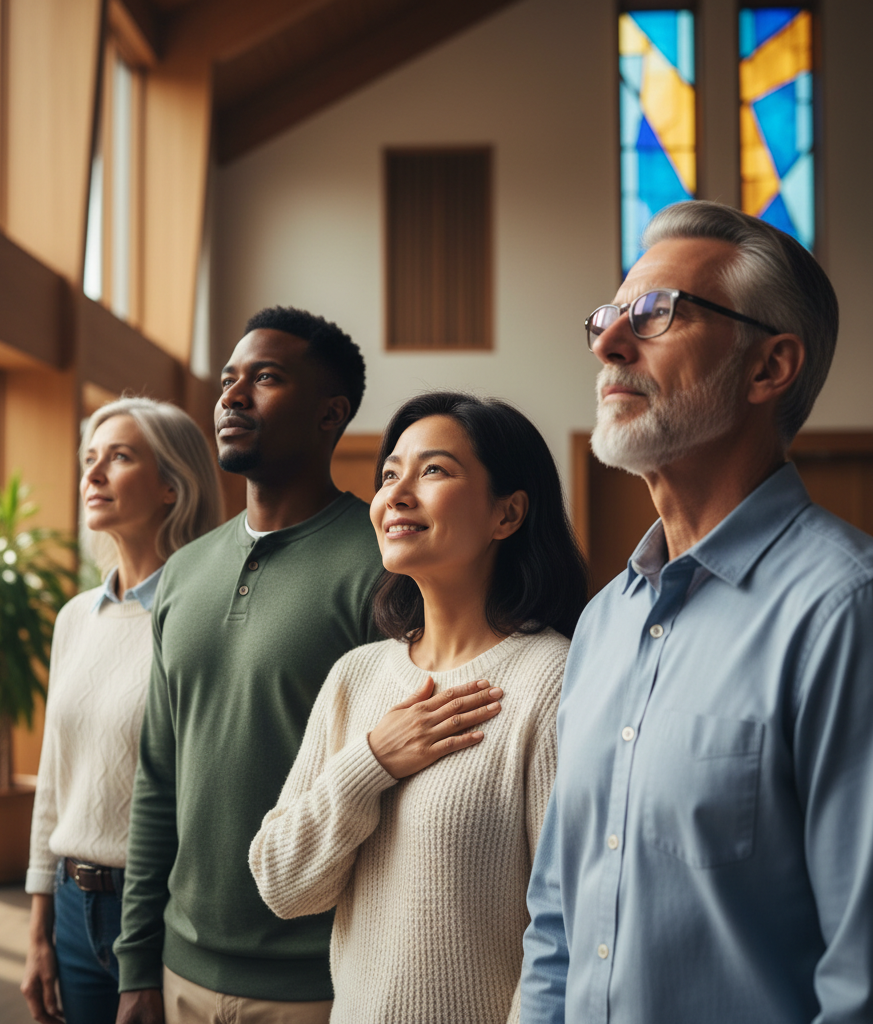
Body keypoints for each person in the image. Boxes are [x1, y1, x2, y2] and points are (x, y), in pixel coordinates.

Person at [521, 200, 873, 1024]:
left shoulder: (844, 613)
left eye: (655, 314)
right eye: (607, 317)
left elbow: (862, 982)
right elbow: (557, 927)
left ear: (767, 368)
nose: (609, 343)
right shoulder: (604, 621)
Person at [250, 392, 588, 1024]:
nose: (396, 495)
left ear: (507, 514)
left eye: (433, 470)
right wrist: (369, 762)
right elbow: (283, 886)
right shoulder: (357, 676)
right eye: (388, 475)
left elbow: (570, 923)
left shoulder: (552, 679)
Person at [114, 308, 385, 1024]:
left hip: (321, 978)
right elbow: (158, 775)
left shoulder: (384, 567)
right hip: (181, 968)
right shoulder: (184, 571)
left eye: (265, 379)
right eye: (229, 379)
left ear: (331, 414)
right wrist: (136, 963)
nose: (232, 396)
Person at [21, 397, 222, 1024]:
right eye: (89, 459)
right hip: (70, 910)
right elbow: (54, 779)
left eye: (120, 457)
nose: (94, 474)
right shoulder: (76, 617)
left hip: (164, 910)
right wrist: (38, 932)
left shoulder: (207, 613)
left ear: (171, 484)